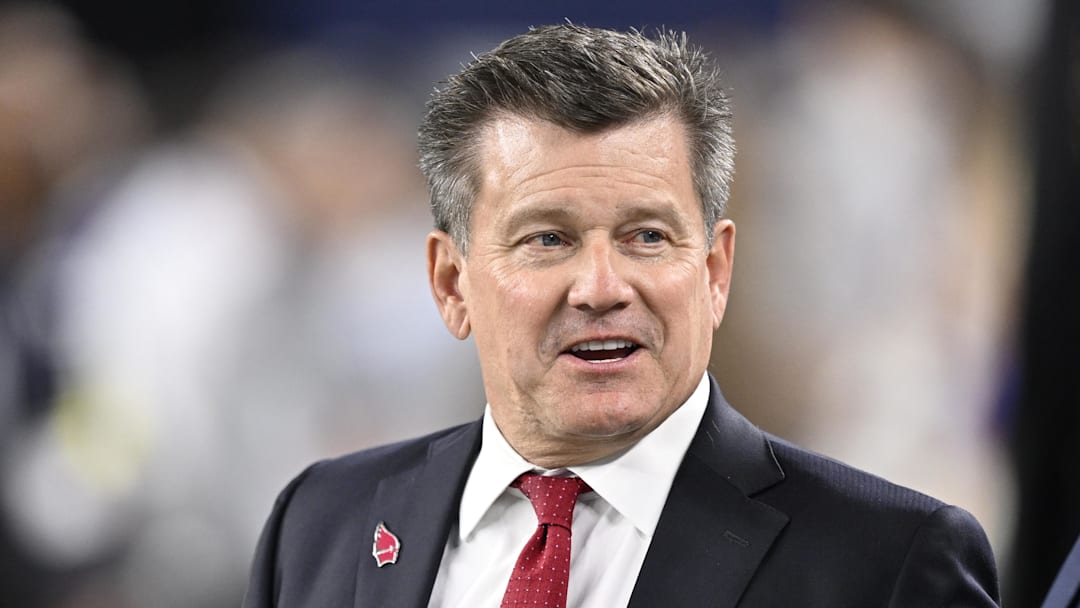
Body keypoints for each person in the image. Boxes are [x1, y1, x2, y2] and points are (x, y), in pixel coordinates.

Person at [243, 24, 1000, 607]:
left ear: (714, 272)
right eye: (548, 239)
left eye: (646, 236)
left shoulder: (887, 562)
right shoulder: (321, 525)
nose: (602, 286)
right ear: (450, 282)